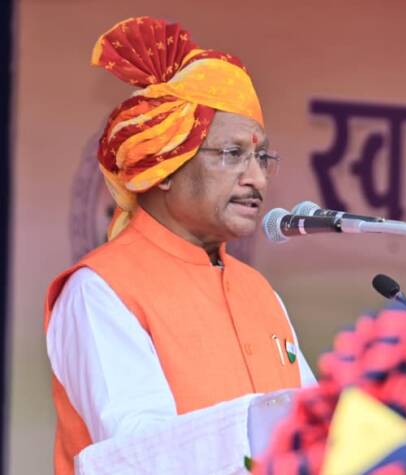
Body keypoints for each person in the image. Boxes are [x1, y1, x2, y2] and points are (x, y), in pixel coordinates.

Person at [43, 16, 315, 475]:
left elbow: (312, 431)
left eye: (261, 156)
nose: (256, 178)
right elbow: (140, 453)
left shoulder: (260, 292)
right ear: (164, 166)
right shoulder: (100, 290)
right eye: (232, 154)